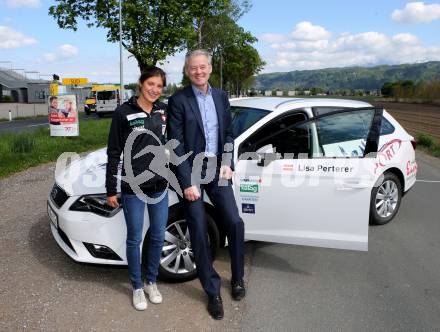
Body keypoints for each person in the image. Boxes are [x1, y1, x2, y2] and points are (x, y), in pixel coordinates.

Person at [168, 49, 245, 320]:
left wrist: (228, 162)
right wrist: (187, 182)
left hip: (217, 169)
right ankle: (212, 290)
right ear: (187, 71)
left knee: (234, 222)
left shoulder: (222, 96)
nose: (198, 72)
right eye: (193, 68)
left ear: (210, 68)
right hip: (191, 171)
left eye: (202, 67)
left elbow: (228, 134)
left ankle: (237, 278)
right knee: (198, 229)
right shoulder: (178, 100)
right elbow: (175, 145)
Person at [105, 66, 169, 311]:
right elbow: (113, 152)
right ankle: (137, 287)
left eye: (159, 86)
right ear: (141, 83)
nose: (154, 89)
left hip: (159, 185)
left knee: (157, 235)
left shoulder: (164, 110)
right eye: (151, 84)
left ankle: (151, 281)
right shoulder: (123, 112)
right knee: (134, 238)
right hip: (133, 186)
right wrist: (111, 189)